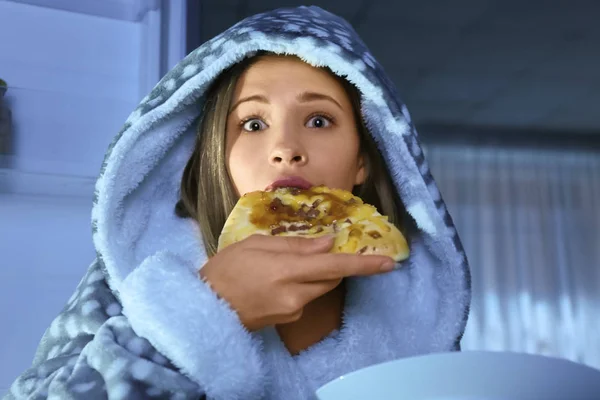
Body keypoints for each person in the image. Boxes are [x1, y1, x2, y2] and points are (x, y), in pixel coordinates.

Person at [3, 6, 471, 400]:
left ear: (362, 163)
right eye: (252, 124)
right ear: (217, 158)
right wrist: (202, 312)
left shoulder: (417, 323)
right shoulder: (129, 287)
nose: (285, 148)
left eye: (319, 120)